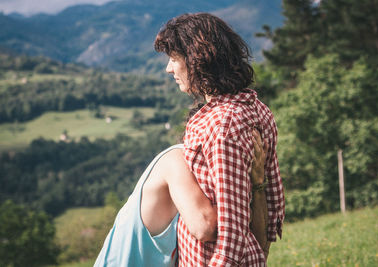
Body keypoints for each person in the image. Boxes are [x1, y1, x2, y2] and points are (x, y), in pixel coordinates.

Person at [154, 12, 285, 266]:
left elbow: (231, 232)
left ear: (196, 60)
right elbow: (264, 197)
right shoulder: (255, 108)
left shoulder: (223, 126)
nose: (169, 68)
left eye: (173, 58)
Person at [94, 132, 269, 266]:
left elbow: (258, 248)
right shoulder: (175, 160)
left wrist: (258, 184)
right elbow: (205, 228)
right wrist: (240, 194)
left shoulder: (209, 187)